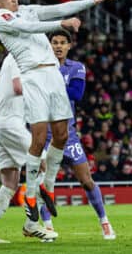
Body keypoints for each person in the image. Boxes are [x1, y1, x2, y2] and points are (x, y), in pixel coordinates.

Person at [0, 0, 115, 236]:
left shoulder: (27, 9)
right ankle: (32, 196)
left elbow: (60, 8)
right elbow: (29, 28)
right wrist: (61, 25)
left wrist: (92, 1)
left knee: (61, 135)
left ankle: (47, 187)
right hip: (33, 77)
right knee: (38, 138)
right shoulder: (2, 18)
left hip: (53, 75)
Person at [39, 30, 115, 240]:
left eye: (63, 42)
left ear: (69, 46)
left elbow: (77, 94)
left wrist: (49, 89)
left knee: (86, 180)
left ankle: (105, 222)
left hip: (68, 134)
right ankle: (47, 226)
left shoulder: (77, 67)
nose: (58, 46)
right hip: (44, 134)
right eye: (54, 42)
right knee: (45, 183)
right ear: (49, 45)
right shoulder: (40, 67)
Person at [0, 53, 52, 243]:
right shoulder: (16, 58)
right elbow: (18, 87)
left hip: (0, 127)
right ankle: (31, 224)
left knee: (9, 184)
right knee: (44, 164)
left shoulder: (13, 60)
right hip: (11, 127)